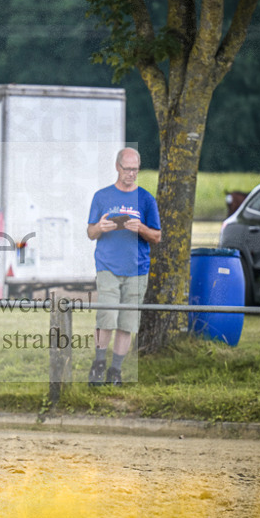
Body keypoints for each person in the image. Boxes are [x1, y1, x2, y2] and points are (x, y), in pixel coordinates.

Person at [86, 147, 162, 385]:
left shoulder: (146, 199)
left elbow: (157, 236)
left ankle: (115, 371)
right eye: (127, 169)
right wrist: (100, 228)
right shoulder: (102, 196)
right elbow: (90, 233)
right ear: (117, 167)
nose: (131, 174)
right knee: (106, 316)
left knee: (127, 322)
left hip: (137, 269)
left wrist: (141, 228)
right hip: (107, 266)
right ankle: (98, 365)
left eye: (135, 170)